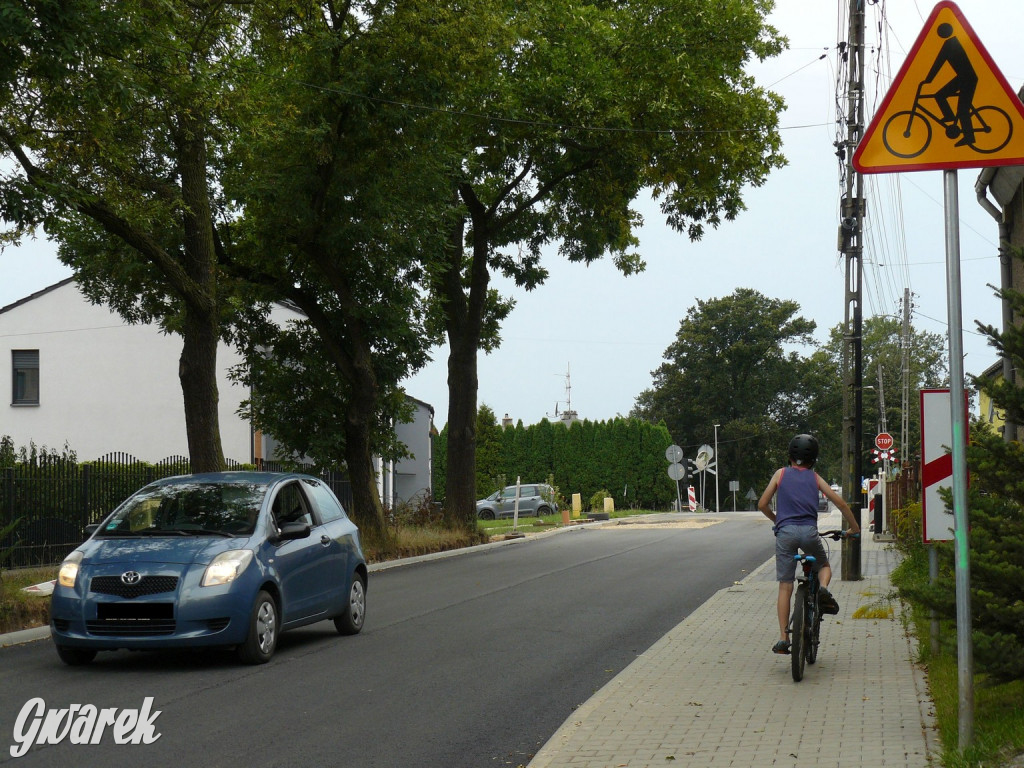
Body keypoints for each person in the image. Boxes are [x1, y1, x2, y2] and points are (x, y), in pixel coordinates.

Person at [757, 434, 860, 655]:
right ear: (814, 458)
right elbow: (840, 502)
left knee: (785, 586)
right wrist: (854, 528)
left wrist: (778, 520)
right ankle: (822, 590)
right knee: (823, 566)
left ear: (790, 456)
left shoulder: (780, 474)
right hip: (809, 533)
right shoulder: (815, 478)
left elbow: (762, 504)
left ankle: (784, 638)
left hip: (785, 534)